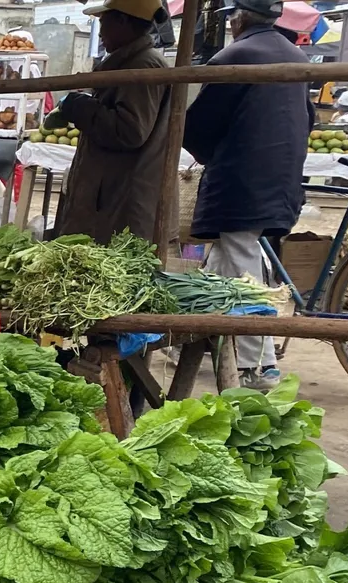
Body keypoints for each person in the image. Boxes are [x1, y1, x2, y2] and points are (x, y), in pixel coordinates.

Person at [184, 0, 310, 391]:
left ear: (238, 19)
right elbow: (308, 118)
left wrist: (208, 155)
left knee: (240, 260)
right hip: (282, 176)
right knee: (226, 257)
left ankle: (257, 363)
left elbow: (199, 125)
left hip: (243, 179)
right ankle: (190, 332)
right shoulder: (295, 54)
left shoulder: (235, 54)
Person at [51, 0, 171, 245]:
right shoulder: (130, 62)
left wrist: (80, 107)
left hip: (121, 199)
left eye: (104, 21)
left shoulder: (143, 65)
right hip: (111, 194)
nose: (101, 31)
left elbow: (129, 131)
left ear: (123, 21)